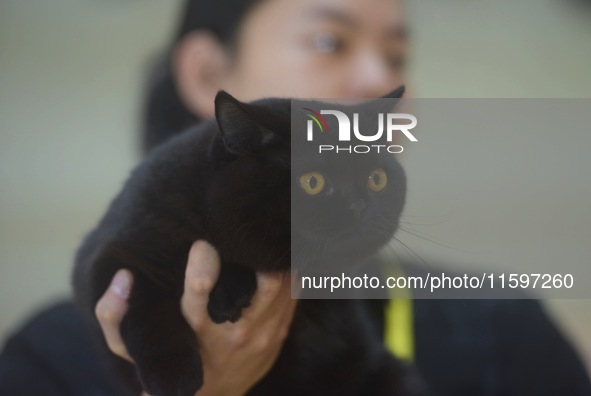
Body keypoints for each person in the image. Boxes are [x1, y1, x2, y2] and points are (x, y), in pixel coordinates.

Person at [1, 0, 590, 395]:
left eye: (396, 56)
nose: (374, 82)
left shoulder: (504, 336)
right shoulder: (51, 361)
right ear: (207, 74)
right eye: (330, 41)